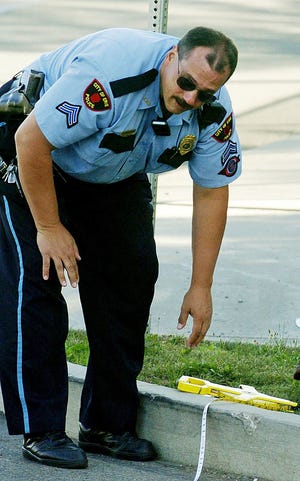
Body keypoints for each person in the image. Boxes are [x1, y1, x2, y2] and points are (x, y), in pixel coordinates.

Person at [0, 26, 241, 469]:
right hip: (29, 157)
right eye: (186, 84)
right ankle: (43, 428)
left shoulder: (211, 111)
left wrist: (201, 285)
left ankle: (106, 425)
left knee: (130, 276)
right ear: (172, 57)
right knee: (37, 282)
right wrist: (50, 227)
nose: (191, 100)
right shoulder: (109, 77)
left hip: (108, 171)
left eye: (204, 94)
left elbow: (211, 191)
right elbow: (30, 141)